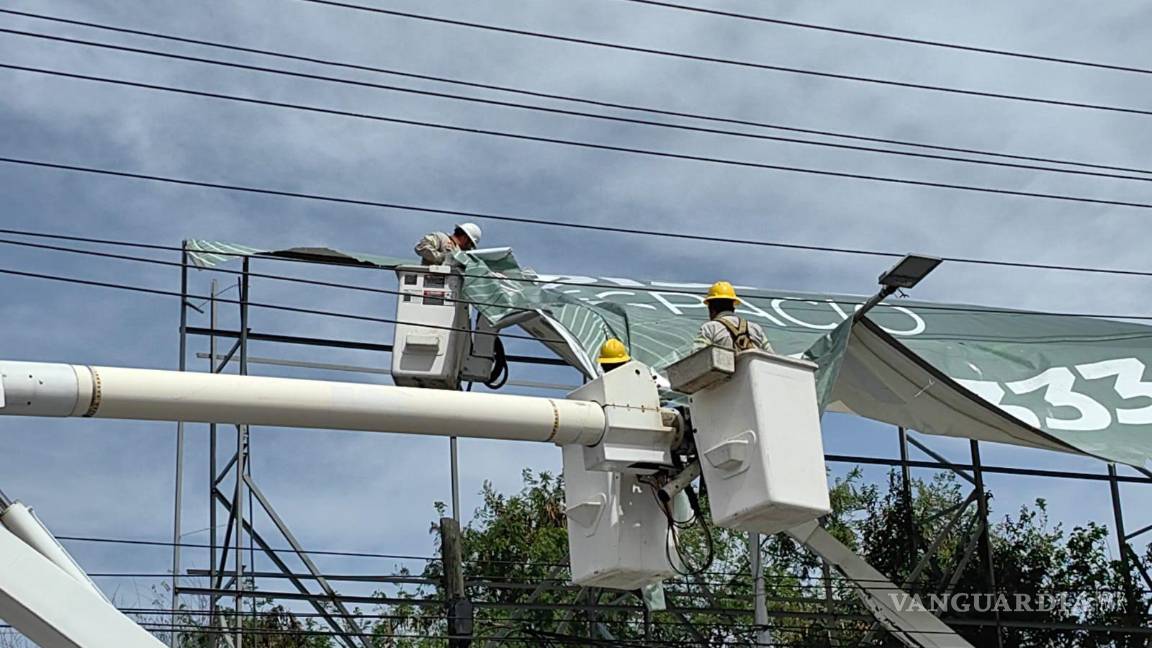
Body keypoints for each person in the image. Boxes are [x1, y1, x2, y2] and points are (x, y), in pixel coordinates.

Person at [694, 281, 774, 352]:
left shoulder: (709, 328)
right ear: (733, 307)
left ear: (712, 309)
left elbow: (696, 357)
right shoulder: (755, 328)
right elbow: (771, 358)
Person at [414, 222, 482, 265]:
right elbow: (421, 247)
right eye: (471, 244)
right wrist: (442, 258)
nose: (470, 248)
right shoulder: (441, 238)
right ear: (465, 238)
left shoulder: (459, 252)